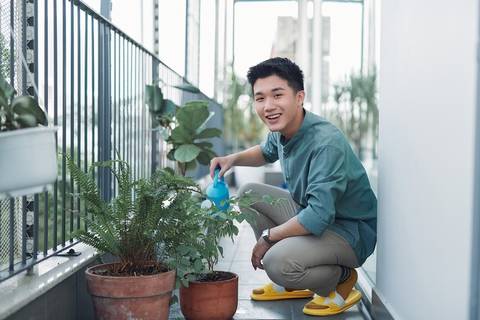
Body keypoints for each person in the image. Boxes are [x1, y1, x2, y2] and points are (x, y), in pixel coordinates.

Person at [209, 57, 377, 316]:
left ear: (299, 97)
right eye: (260, 98)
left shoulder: (325, 143)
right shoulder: (282, 130)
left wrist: (268, 238)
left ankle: (341, 278)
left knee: (276, 262)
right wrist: (232, 159)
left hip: (350, 233)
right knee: (248, 194)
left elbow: (319, 216)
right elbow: (265, 152)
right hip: (313, 214)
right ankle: (291, 283)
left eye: (278, 95)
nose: (268, 106)